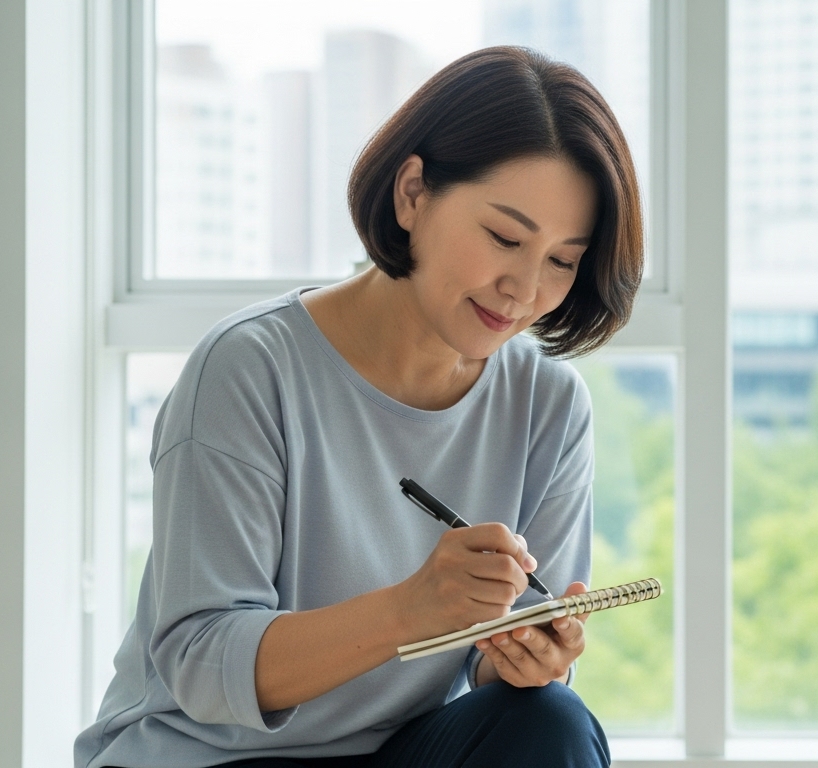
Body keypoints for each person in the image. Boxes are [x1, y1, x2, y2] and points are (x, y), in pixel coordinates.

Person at [75, 46, 642, 768]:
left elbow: (497, 672)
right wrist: (414, 608)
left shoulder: (549, 406)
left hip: (392, 754)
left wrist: (527, 657)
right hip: (204, 756)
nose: (524, 289)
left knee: (551, 719)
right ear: (413, 194)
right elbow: (200, 664)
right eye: (504, 237)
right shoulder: (250, 368)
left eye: (563, 260)